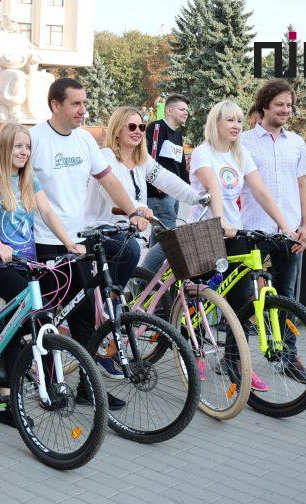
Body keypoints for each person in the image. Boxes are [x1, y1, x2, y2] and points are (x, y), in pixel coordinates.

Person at [29, 78, 148, 409]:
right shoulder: (35, 139)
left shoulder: (84, 141)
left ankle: (86, 385)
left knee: (84, 316)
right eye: (76, 104)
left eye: (84, 103)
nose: (83, 110)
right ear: (56, 105)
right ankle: (52, 386)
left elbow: (108, 180)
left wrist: (134, 211)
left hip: (77, 241)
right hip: (45, 242)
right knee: (49, 318)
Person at [188, 100, 297, 392]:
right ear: (216, 124)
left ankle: (237, 365)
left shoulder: (240, 154)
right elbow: (212, 189)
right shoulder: (202, 153)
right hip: (204, 231)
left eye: (239, 120)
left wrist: (284, 226)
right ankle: (193, 354)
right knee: (198, 297)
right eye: (230, 121)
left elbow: (260, 190)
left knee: (243, 302)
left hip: (233, 233)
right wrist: (220, 221)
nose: (236, 125)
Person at [0, 121, 86, 425]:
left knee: (39, 317)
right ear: (5, 148)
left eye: (27, 146)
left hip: (28, 263)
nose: (24, 151)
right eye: (18, 146)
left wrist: (70, 243)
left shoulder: (30, 180)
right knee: (28, 318)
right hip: (0, 263)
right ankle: (5, 392)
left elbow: (48, 213)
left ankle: (35, 379)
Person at [240, 79, 306, 384]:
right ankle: (235, 357)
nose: (285, 110)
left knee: (286, 296)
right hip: (253, 230)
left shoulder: (296, 142)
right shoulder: (243, 141)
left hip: (290, 233)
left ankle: (288, 356)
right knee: (243, 298)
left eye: (288, 105)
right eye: (279, 104)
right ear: (264, 106)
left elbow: (302, 184)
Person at [86, 106, 209, 283]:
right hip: (100, 228)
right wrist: (138, 208)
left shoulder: (141, 160)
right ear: (117, 130)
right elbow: (112, 191)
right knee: (131, 251)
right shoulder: (106, 156)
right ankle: (112, 298)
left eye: (141, 127)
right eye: (131, 127)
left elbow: (166, 179)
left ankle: (119, 298)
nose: (138, 131)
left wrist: (196, 197)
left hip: (127, 230)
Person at [145, 94, 190, 240]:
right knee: (168, 239)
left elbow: (181, 166)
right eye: (182, 109)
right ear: (169, 111)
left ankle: (150, 264)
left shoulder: (178, 136)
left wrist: (188, 190)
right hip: (159, 194)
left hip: (173, 193)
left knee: (160, 237)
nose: (186, 113)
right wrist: (160, 190)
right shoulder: (157, 127)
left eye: (187, 110)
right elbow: (151, 159)